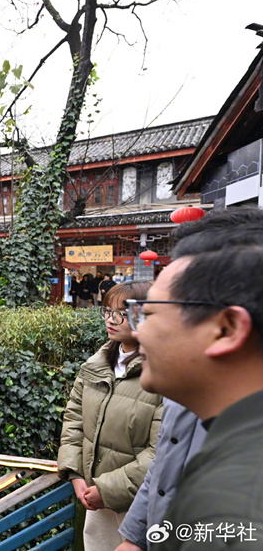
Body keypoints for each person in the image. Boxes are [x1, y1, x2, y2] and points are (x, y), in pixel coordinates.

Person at [114, 208, 263, 551]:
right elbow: (164, 467)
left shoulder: (237, 506)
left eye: (148, 314)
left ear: (225, 329)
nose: (140, 333)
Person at [58, 281, 163, 551]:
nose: (110, 320)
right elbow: (74, 421)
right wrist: (75, 473)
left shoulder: (165, 374)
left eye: (121, 313)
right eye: (107, 311)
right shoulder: (96, 365)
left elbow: (161, 451)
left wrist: (108, 490)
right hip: (94, 498)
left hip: (142, 504)